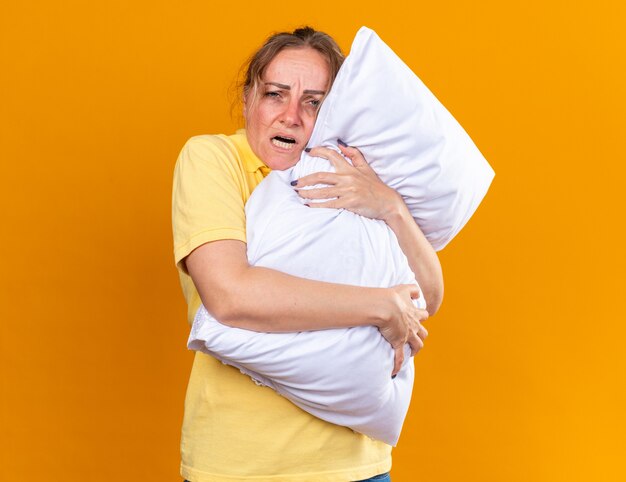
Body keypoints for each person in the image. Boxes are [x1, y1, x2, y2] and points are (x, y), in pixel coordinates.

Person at [172, 26, 443, 482]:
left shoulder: (350, 174)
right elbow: (230, 295)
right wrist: (381, 306)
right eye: (275, 94)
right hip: (240, 467)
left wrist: (389, 207)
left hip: (356, 467)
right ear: (248, 100)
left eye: (314, 102)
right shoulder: (214, 160)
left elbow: (425, 301)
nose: (291, 116)